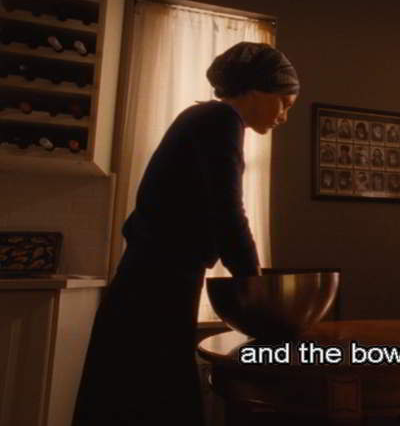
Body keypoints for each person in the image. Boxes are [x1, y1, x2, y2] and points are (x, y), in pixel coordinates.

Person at [72, 42, 299, 426]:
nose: (284, 116)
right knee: (155, 392)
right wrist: (254, 283)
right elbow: (228, 210)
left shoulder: (204, 118)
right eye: (284, 103)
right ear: (257, 90)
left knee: (130, 391)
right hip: (158, 279)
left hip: (152, 273)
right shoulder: (220, 119)